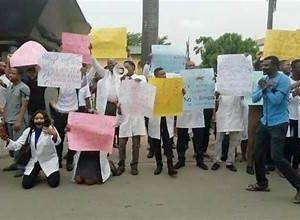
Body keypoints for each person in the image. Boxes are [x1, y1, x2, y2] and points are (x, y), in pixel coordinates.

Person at [246, 56, 300, 204]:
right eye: (263, 65)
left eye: (266, 66)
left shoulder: (283, 80)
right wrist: (263, 88)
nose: (263, 68)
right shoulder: (264, 79)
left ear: (275, 66)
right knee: (257, 153)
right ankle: (262, 183)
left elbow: (276, 101)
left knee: (277, 157)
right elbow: (255, 98)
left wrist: (266, 89)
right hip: (265, 121)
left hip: (279, 122)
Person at [0, 110, 61, 189]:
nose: (39, 120)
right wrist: (7, 140)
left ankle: (52, 172)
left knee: (54, 183)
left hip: (49, 160)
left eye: (41, 118)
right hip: (35, 160)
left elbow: (57, 142)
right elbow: (17, 145)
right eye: (36, 118)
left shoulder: (50, 129)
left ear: (45, 119)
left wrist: (54, 134)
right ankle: (36, 173)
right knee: (26, 185)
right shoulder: (29, 131)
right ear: (33, 120)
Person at [116, 61, 147, 175]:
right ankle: (121, 164)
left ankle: (134, 165)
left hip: (136, 114)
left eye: (127, 67)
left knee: (136, 144)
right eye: (123, 67)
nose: (125, 69)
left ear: (133, 68)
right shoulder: (120, 79)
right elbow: (119, 95)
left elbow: (144, 89)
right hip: (124, 114)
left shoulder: (140, 78)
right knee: (122, 142)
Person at [148, 67, 177, 176]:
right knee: (156, 143)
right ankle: (159, 165)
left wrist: (180, 94)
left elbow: (175, 98)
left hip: (167, 118)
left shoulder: (170, 86)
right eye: (161, 74)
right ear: (156, 76)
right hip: (156, 118)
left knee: (168, 143)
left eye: (165, 74)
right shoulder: (151, 87)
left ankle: (170, 167)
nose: (164, 76)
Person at [3, 66, 30, 177]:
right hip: (9, 120)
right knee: (12, 143)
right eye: (10, 73)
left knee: (20, 145)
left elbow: (24, 106)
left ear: (19, 75)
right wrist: (3, 118)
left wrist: (19, 121)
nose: (10, 75)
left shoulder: (24, 88)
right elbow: (7, 103)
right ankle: (15, 163)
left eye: (13, 73)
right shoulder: (10, 87)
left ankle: (22, 166)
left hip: (18, 121)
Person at [211, 92, 244, 172]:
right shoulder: (221, 84)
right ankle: (217, 161)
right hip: (223, 116)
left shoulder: (239, 86)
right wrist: (216, 96)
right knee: (218, 140)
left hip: (235, 116)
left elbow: (243, 99)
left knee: (233, 141)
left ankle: (230, 162)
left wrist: (242, 94)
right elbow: (215, 100)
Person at [285, 59, 300, 173]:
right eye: (298, 67)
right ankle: (285, 167)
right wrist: (293, 93)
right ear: (292, 69)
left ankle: (295, 166)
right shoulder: (286, 81)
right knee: (288, 142)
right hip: (289, 115)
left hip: (299, 117)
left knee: (297, 142)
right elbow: (283, 97)